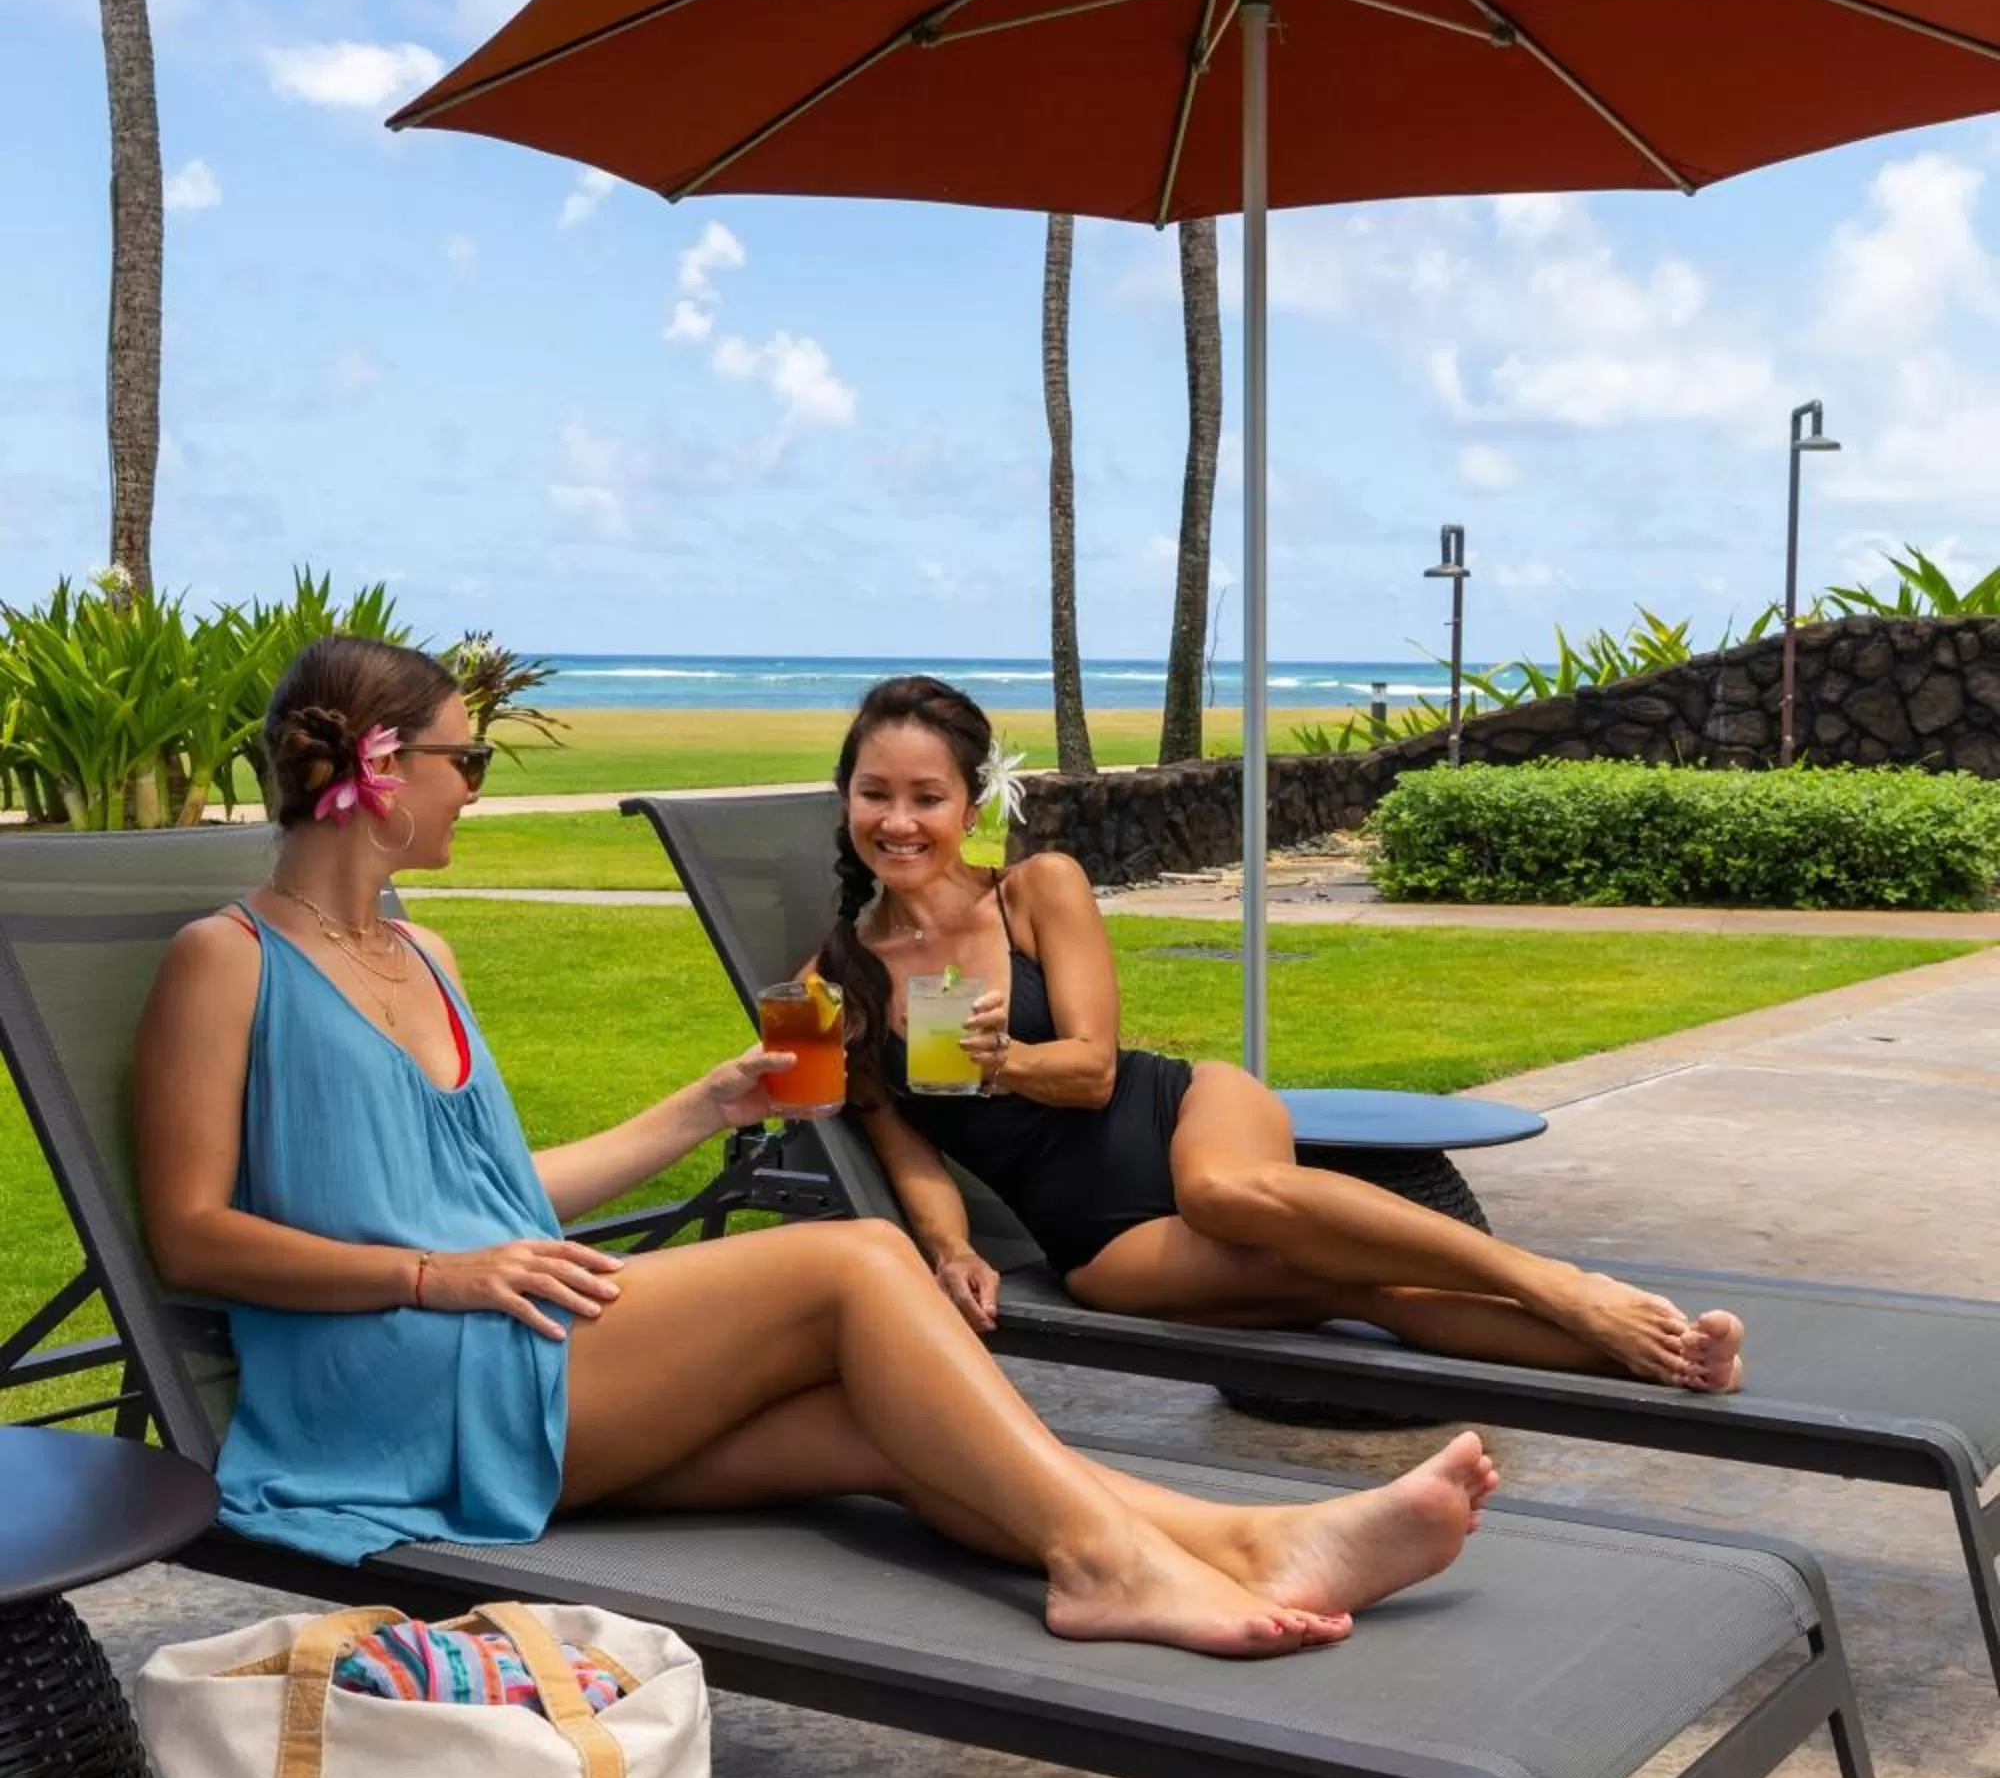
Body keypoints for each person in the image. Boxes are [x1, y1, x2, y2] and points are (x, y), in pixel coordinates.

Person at [135, 634, 1498, 1667]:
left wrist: (705, 1106)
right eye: (464, 760)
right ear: (379, 774)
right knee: (849, 1263)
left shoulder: (425, 953)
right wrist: (438, 1281)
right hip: (390, 1383)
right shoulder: (227, 963)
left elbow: (490, 1198)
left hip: (498, 1327)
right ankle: (1104, 1562)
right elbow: (194, 1236)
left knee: (876, 1423)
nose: (476, 792)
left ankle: (1253, 1540)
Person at [821, 676, 1748, 1390]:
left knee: (1229, 1191)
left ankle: (1556, 1283)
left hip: (1181, 1112)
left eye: (926, 797)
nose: (899, 822)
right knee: (1353, 1291)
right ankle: (1668, 1358)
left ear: (971, 806)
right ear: (847, 801)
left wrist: (1006, 1061)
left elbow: (1096, 1071)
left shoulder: (1035, 887)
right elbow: (907, 1151)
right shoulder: (840, 981)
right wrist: (953, 1252)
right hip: (1096, 1231)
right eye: (876, 795)